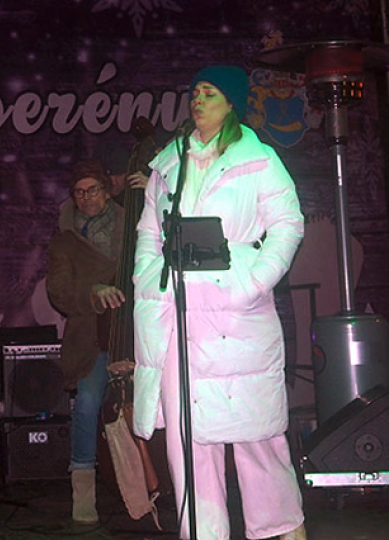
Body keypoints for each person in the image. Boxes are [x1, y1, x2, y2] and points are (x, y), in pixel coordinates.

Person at [132, 65, 306, 539]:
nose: (198, 100)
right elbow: (148, 231)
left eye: (210, 93)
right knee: (189, 443)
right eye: (195, 92)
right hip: (180, 316)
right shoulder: (169, 163)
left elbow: (288, 224)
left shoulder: (259, 159)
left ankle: (283, 530)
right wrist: (148, 275)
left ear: (232, 103)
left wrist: (254, 280)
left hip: (235, 315)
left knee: (256, 436)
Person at [46, 158, 146, 522]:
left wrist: (156, 194)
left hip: (139, 333)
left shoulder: (135, 222)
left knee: (151, 407)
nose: (86, 197)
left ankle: (155, 482)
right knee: (88, 405)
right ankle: (84, 493)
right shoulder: (64, 241)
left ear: (107, 191)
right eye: (79, 192)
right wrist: (93, 291)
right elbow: (58, 291)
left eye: (93, 190)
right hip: (93, 338)